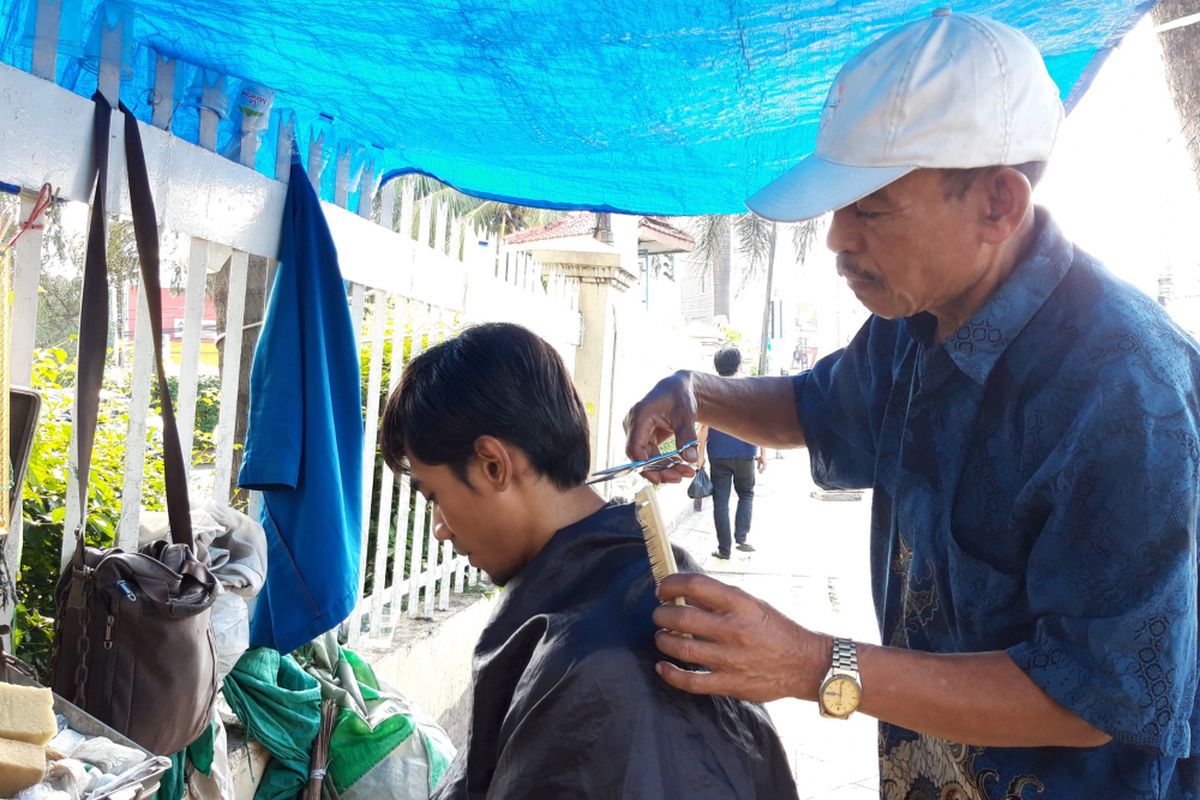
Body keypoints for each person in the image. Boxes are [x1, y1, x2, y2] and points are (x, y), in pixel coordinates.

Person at [624, 10, 1200, 799]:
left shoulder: (1128, 393)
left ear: (999, 204)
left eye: (871, 207)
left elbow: (1096, 693)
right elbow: (817, 407)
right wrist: (700, 394)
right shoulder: (914, 320)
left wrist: (813, 663)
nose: (835, 238)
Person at [379, 322, 798, 799]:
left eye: (436, 495)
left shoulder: (592, 666)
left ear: (494, 465)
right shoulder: (633, 564)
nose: (440, 528)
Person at [696, 346, 766, 559]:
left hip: (719, 455)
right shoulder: (750, 391)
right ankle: (742, 538)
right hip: (746, 451)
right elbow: (761, 425)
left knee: (721, 502)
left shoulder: (710, 391)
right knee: (746, 494)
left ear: (717, 367)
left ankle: (724, 550)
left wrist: (699, 458)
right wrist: (763, 453)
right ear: (738, 366)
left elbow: (703, 428)